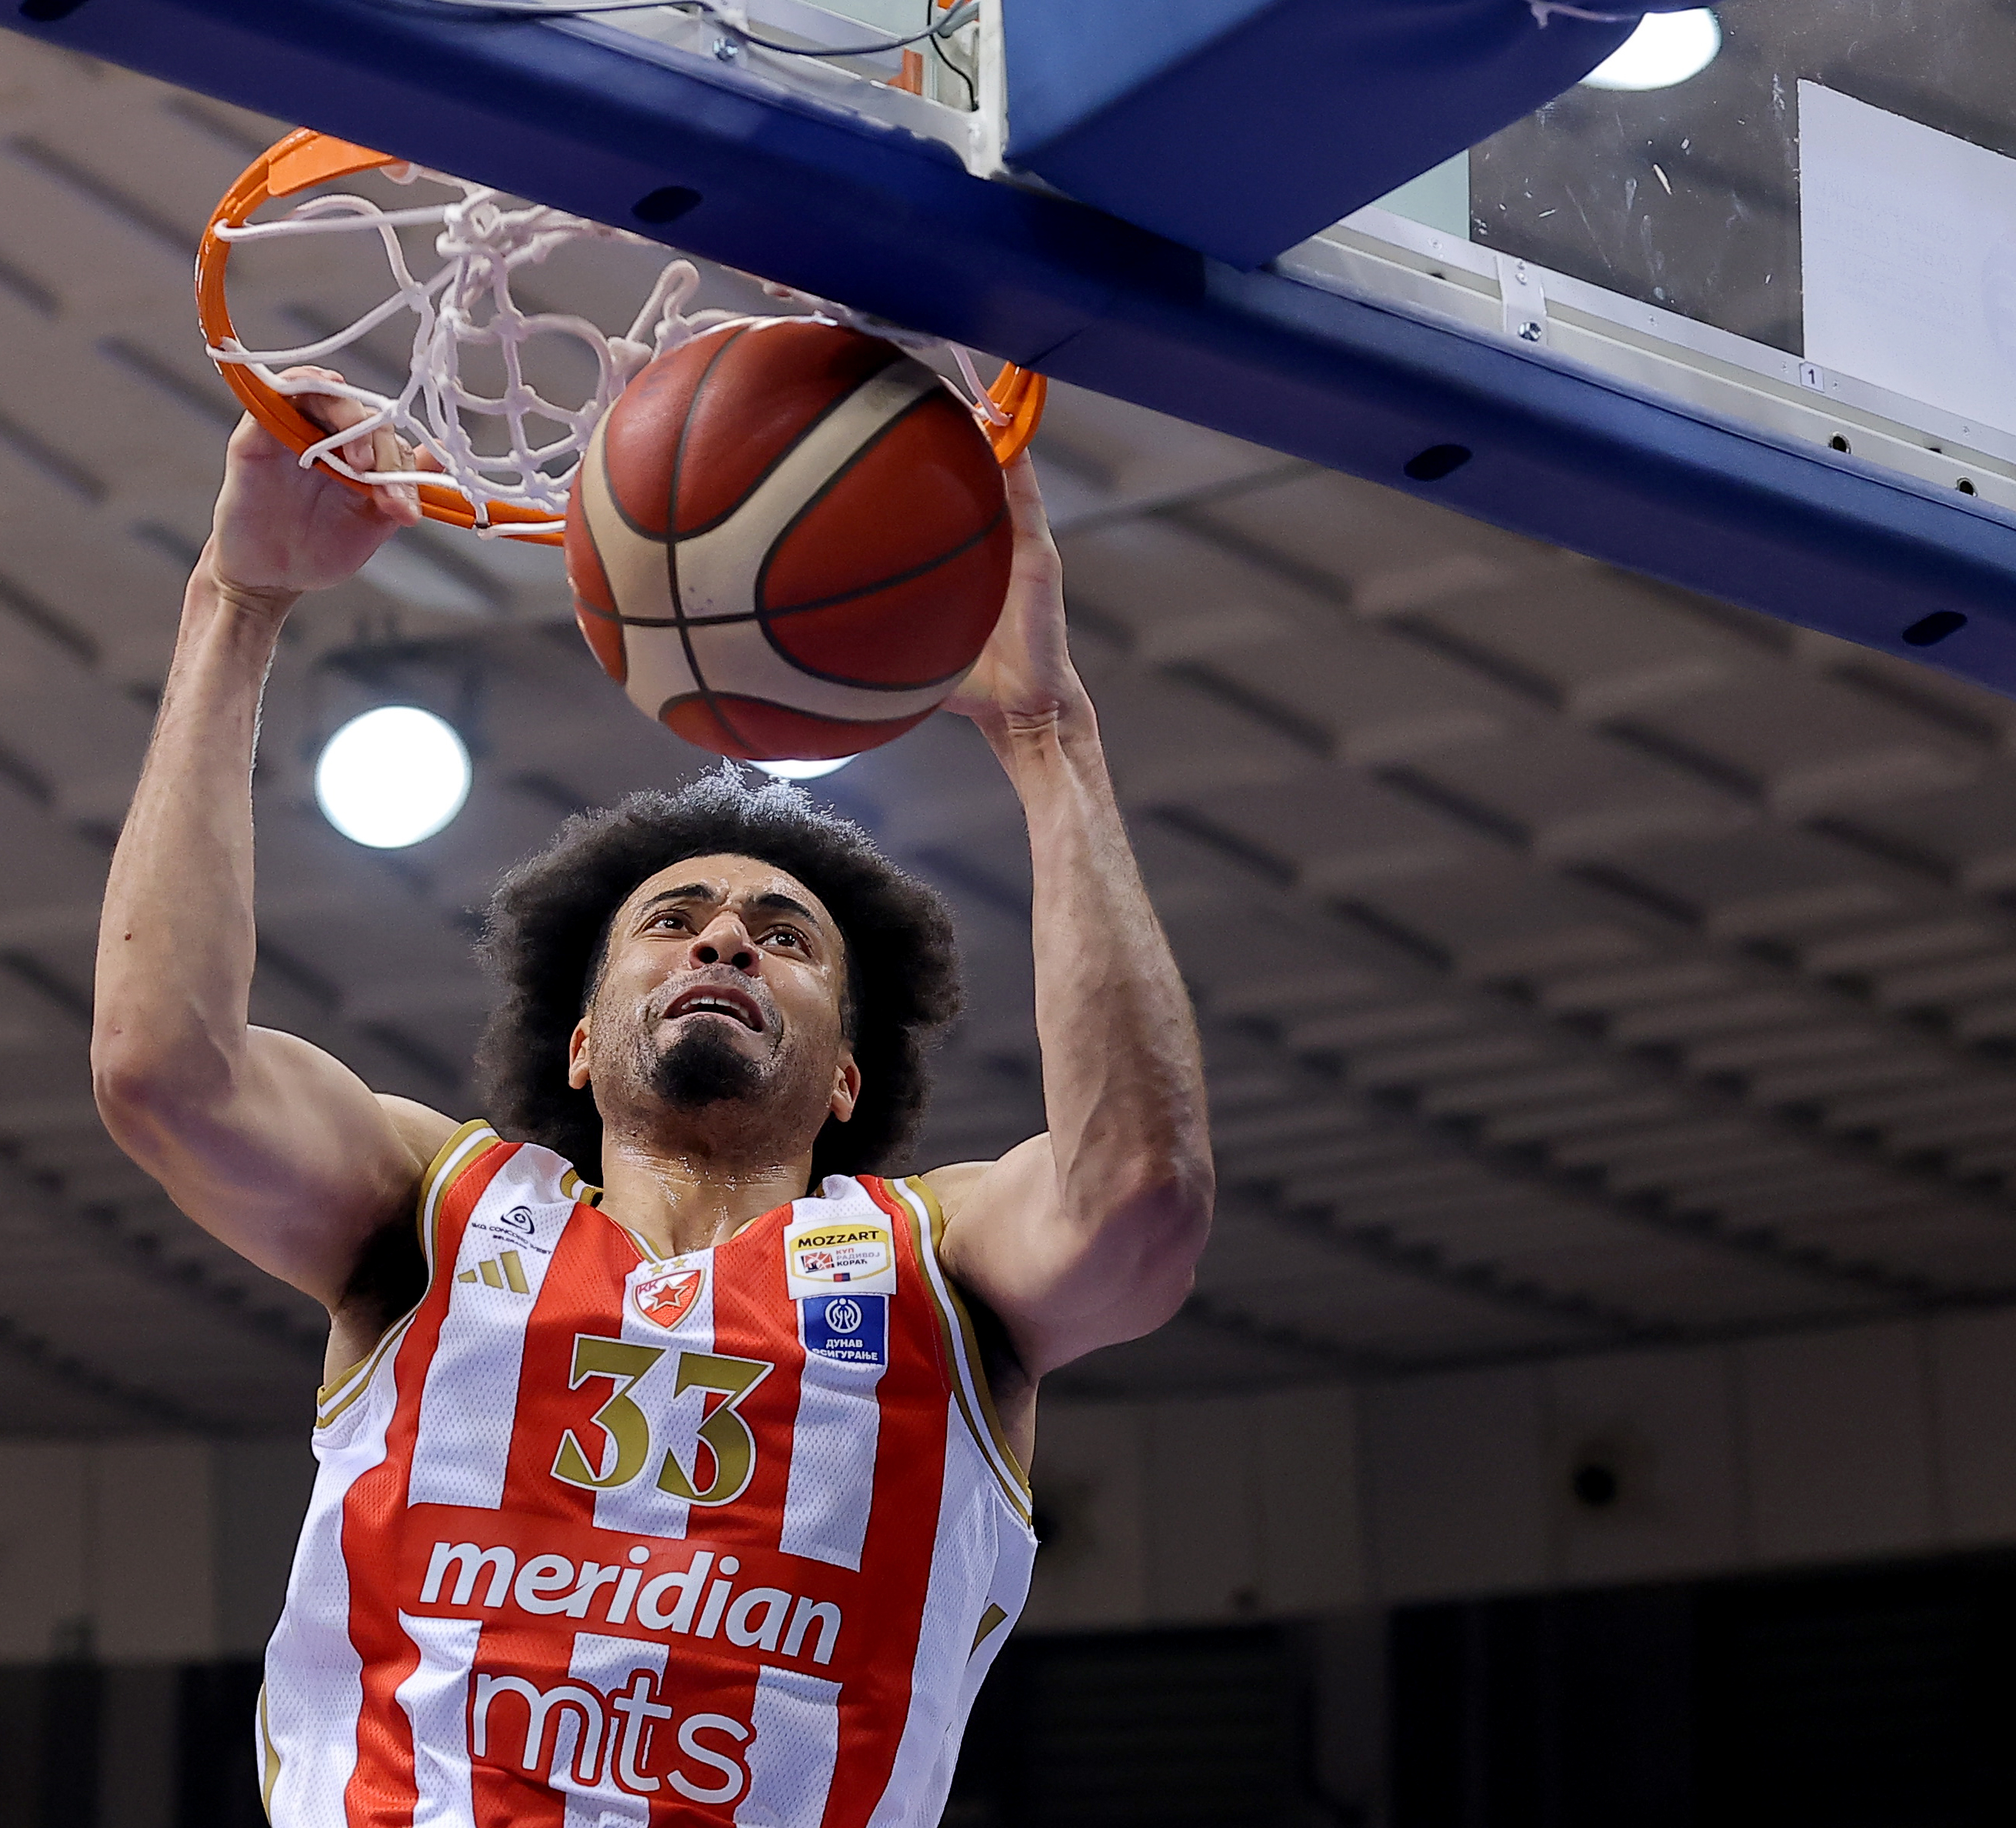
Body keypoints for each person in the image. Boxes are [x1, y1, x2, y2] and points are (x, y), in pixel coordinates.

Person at [92, 382, 1214, 1827]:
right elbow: (160, 1073)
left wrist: (1048, 733)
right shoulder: (437, 1209)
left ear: (850, 1076)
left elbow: (1143, 1201)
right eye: (673, 919)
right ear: (577, 1043)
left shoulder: (939, 1258)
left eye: (785, 937)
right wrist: (238, 598)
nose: (727, 939)